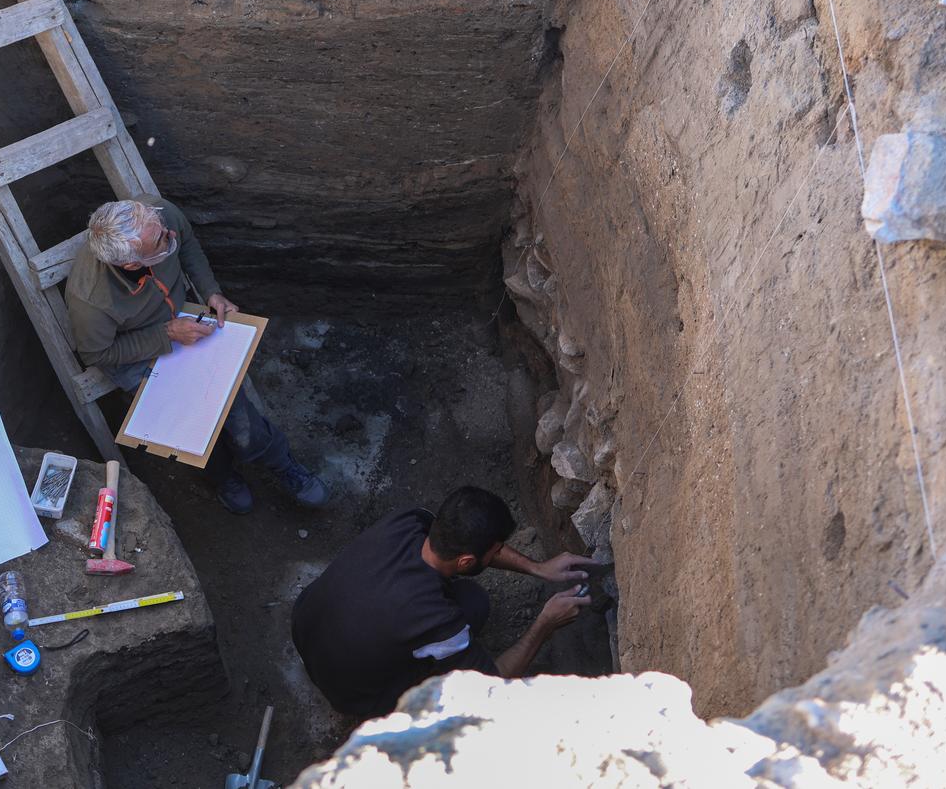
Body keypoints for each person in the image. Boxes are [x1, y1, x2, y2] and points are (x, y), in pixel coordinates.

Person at [65, 194, 328, 514]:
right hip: (133, 353)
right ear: (133, 264)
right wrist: (166, 334)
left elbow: (186, 242)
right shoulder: (91, 301)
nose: (168, 233)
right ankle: (222, 476)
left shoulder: (157, 215)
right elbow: (99, 353)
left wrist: (210, 292)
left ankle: (278, 461)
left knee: (230, 403)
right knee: (187, 424)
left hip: (180, 318)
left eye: (161, 225)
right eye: (161, 239)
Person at [291, 486, 593, 717]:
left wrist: (538, 568)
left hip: (307, 627)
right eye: (496, 549)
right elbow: (491, 683)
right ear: (465, 561)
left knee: (473, 603)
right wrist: (545, 624)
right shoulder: (436, 619)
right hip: (352, 695)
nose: (499, 553)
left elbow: (474, 552)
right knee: (470, 623)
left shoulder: (409, 521)